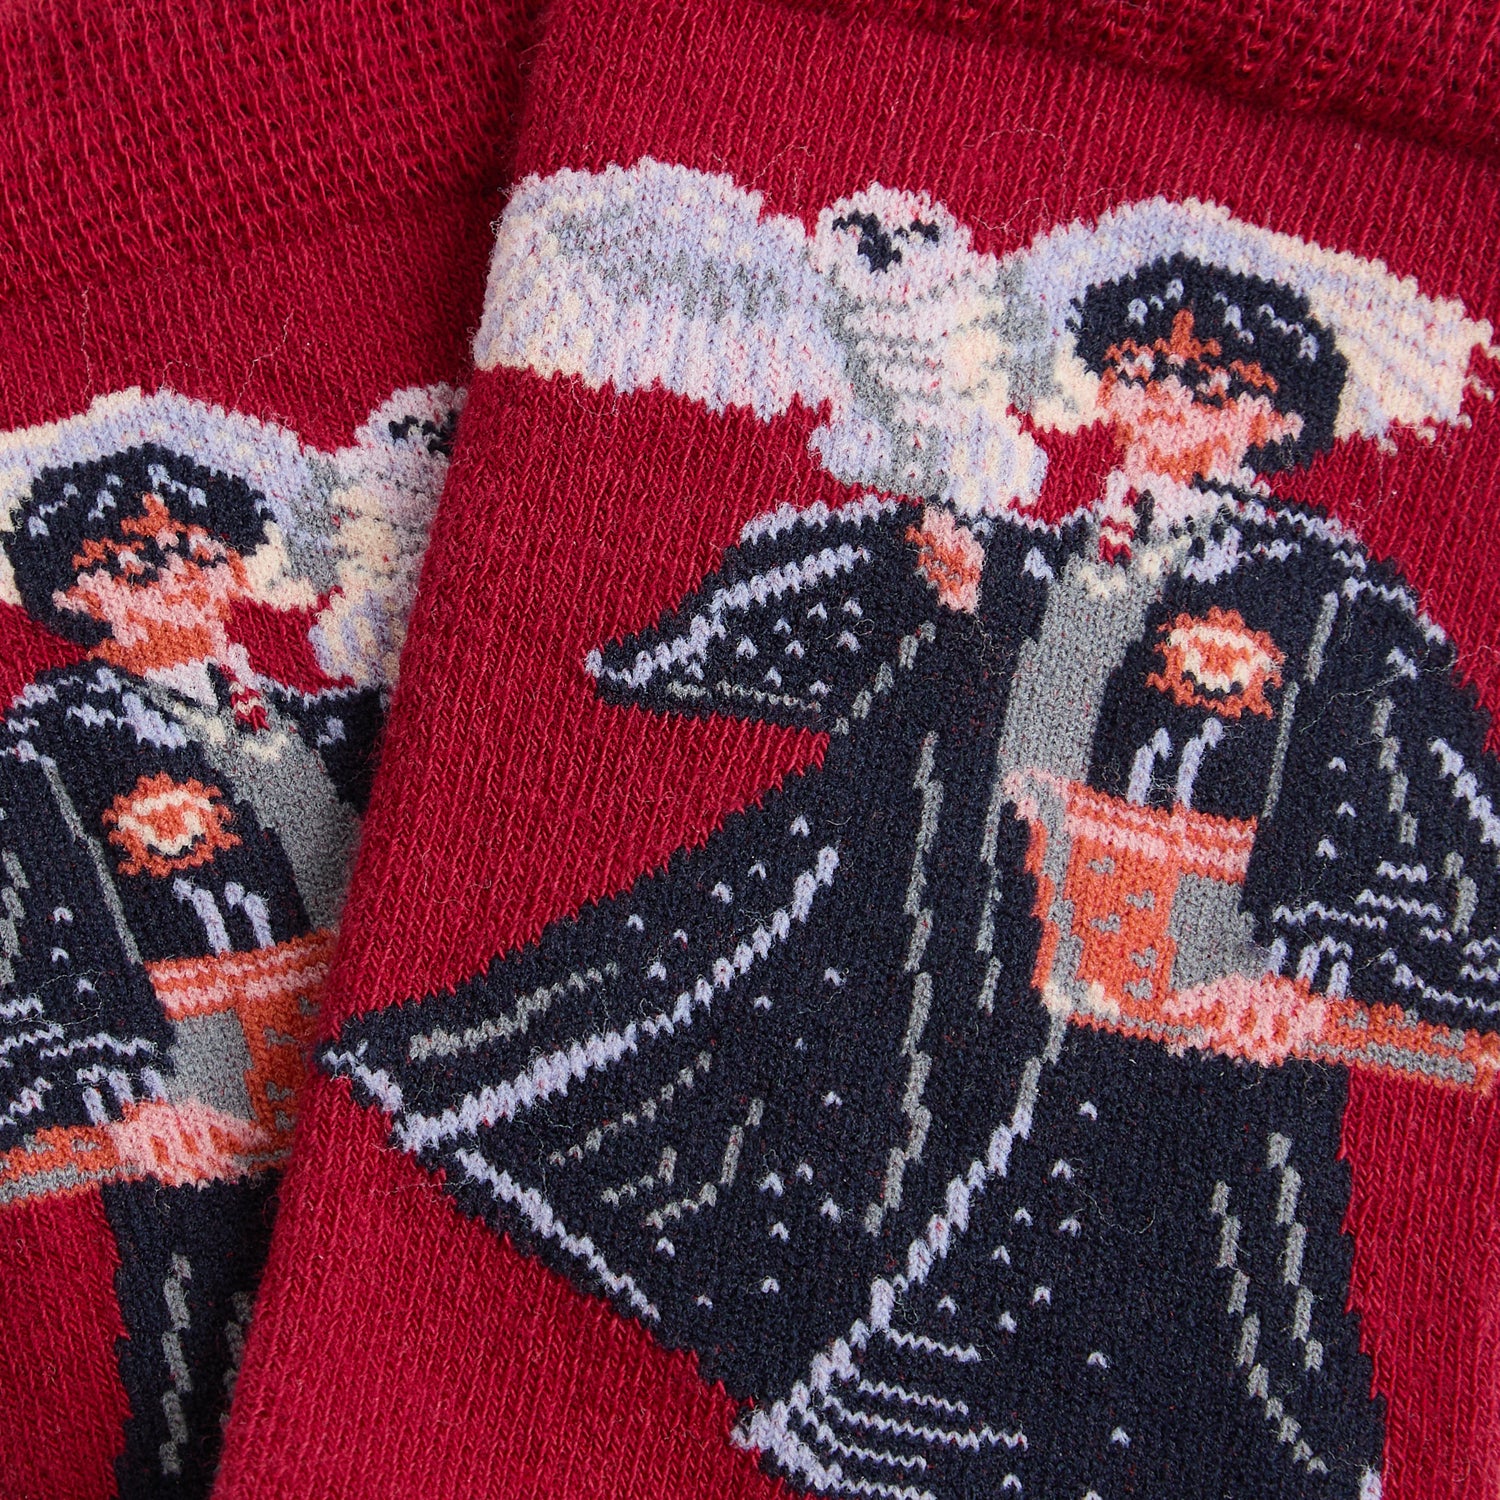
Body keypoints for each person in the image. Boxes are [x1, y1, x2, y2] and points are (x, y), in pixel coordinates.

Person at [329, 226, 1499, 1499]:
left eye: (1217, 388)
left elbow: (1401, 791)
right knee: (907, 1170)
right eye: (1149, 373)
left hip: (1187, 998)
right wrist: (973, 601)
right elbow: (1028, 688)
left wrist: (1309, 976)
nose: (1174, 406)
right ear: (1107, 382)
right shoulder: (1078, 551)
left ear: (1274, 419)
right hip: (1006, 949)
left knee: (1153, 1285)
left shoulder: (1322, 592)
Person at [0, 386, 456, 1496]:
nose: (169, 579)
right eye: (127, 563)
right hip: (183, 1072)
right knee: (199, 1352)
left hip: (343, 1056)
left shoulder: (310, 717)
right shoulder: (48, 739)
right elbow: (44, 923)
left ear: (234, 560)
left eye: (190, 551)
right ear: (76, 591)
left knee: (393, 1338)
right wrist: (122, 1095)